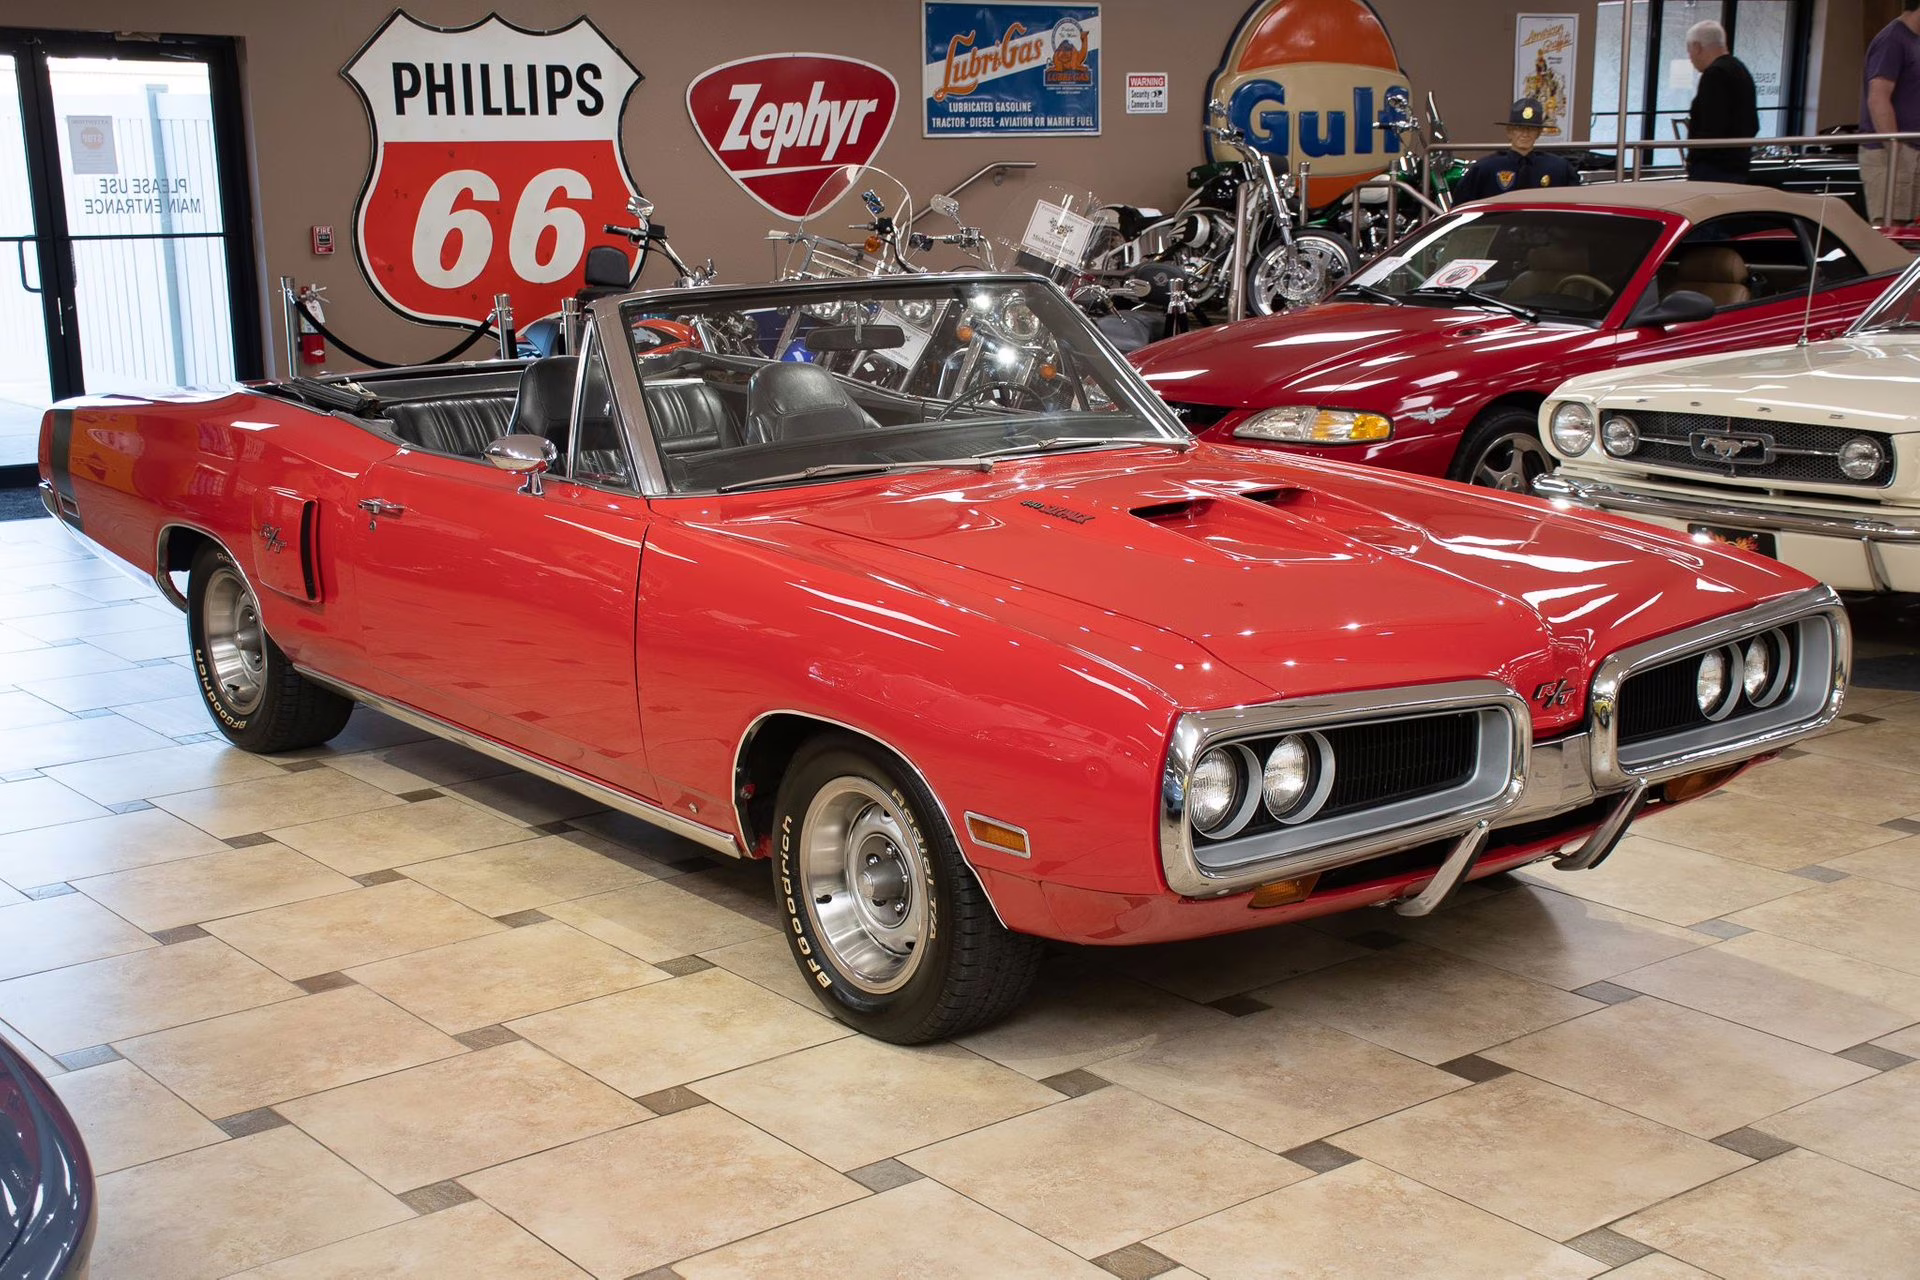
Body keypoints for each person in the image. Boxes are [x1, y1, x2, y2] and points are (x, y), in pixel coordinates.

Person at [1455, 98, 1582, 203]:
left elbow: (1575, 205)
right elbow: (1461, 206)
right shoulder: (1485, 168)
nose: (1525, 134)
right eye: (1519, 128)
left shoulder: (1558, 168)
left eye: (1531, 129)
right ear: (1509, 132)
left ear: (1538, 133)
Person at [1862, 0, 1920, 226]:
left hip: (1913, 152)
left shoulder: (1914, 40)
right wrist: (1896, 151)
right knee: (1891, 230)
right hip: (1891, 154)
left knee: (1911, 232)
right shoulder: (1892, 39)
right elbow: (1878, 98)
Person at [1683, 20, 1758, 183]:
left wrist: (1693, 157)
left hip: (1713, 168)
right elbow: (1753, 123)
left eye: (1689, 51)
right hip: (1738, 164)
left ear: (1697, 47)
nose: (1690, 58)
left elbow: (1712, 127)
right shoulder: (1740, 69)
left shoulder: (1714, 74)